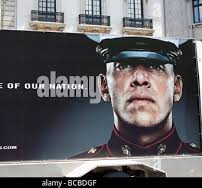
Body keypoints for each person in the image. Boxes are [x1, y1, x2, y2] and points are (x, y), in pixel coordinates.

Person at [72, 37, 201, 158]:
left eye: (155, 66)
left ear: (176, 87)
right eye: (124, 65)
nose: (140, 79)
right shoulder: (75, 172)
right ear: (104, 86)